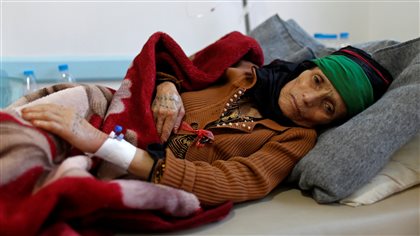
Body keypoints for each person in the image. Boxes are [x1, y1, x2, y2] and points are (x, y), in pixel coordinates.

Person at [21, 46, 393, 205]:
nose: (308, 100)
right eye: (317, 82)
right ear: (309, 70)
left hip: (123, 156)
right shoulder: (244, 74)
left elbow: (237, 180)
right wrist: (167, 84)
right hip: (113, 111)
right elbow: (181, 66)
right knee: (60, 104)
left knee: (51, 180)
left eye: (327, 107)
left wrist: (102, 144)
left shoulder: (295, 138)